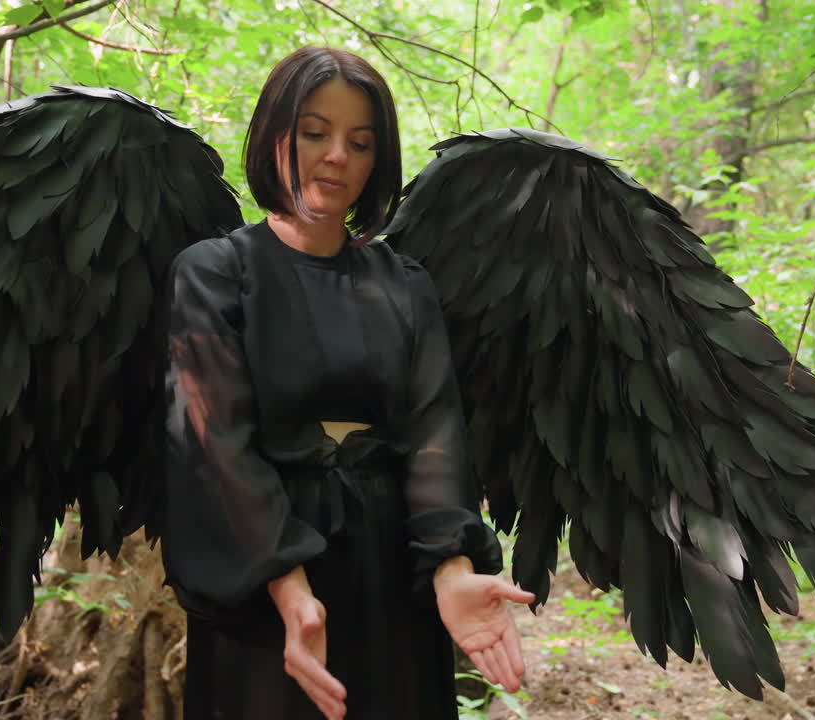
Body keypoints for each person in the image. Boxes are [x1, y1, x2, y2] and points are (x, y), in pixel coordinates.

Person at [160, 46, 535, 720]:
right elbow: (216, 444)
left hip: (391, 569)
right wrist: (290, 589)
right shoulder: (217, 272)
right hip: (265, 576)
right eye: (315, 133)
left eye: (360, 143)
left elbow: (433, 433)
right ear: (275, 133)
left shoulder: (404, 284)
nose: (337, 156)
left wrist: (451, 568)